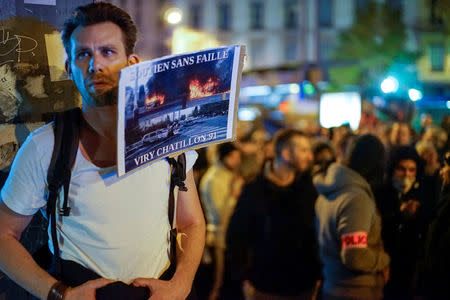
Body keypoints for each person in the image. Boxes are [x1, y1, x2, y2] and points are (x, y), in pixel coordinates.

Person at [0, 2, 205, 300]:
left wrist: (181, 284)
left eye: (108, 52)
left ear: (132, 63)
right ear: (70, 69)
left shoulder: (169, 135)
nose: (96, 65)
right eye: (84, 54)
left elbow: (191, 222)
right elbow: (4, 235)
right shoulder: (46, 146)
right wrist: (60, 293)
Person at [223, 129, 322, 300]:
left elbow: (317, 235)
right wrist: (244, 279)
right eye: (303, 150)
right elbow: (236, 236)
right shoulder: (254, 190)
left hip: (303, 286)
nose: (310, 157)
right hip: (264, 287)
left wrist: (318, 275)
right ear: (285, 153)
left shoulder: (309, 189)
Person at [314, 134, 390, 300]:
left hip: (334, 285)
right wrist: (384, 259)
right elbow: (355, 255)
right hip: (354, 290)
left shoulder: (332, 190)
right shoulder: (356, 199)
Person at [375, 146, 433, 299]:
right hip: (384, 266)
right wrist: (399, 215)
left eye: (411, 170)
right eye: (401, 169)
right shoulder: (380, 193)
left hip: (409, 268)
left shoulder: (422, 195)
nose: (407, 174)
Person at [199, 142, 243, 300]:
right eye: (234, 157)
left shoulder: (227, 175)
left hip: (228, 236)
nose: (238, 161)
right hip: (219, 238)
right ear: (225, 157)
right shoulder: (214, 178)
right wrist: (235, 194)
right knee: (218, 283)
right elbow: (219, 213)